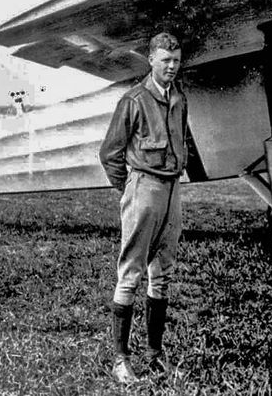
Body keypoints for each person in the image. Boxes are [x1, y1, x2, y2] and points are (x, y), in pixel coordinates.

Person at [99, 32, 188, 383]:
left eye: (176, 61)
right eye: (165, 60)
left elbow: (184, 140)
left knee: (161, 272)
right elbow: (110, 154)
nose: (171, 67)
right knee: (131, 271)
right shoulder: (134, 100)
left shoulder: (179, 97)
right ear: (150, 60)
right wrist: (132, 190)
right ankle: (120, 360)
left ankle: (154, 354)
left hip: (172, 190)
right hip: (144, 187)